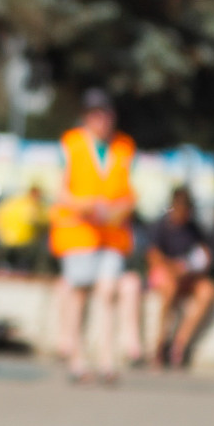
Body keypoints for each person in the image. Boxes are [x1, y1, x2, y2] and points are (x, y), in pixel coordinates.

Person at [48, 90, 142, 384]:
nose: (101, 120)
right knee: (78, 293)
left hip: (112, 233)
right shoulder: (71, 144)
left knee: (108, 292)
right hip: (78, 232)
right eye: (95, 114)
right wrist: (86, 204)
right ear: (86, 117)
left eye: (105, 114)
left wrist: (120, 207)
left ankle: (106, 359)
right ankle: (77, 359)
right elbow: (60, 191)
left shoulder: (125, 147)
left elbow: (130, 191)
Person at [144, 188, 214, 369]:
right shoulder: (161, 226)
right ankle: (160, 343)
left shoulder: (193, 229)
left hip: (187, 276)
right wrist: (173, 268)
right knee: (170, 288)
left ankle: (179, 344)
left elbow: (203, 256)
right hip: (165, 274)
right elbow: (153, 256)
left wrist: (191, 268)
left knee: (208, 291)